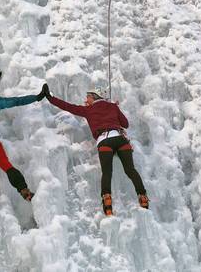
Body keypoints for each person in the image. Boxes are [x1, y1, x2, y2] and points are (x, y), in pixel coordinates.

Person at [41, 84, 148, 215]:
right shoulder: (113, 106)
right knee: (130, 170)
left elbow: (68, 106)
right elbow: (125, 124)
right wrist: (115, 109)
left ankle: (107, 203)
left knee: (107, 172)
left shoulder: (88, 110)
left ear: (93, 96)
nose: (86, 99)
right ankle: (143, 197)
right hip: (120, 139)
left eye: (88, 97)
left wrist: (50, 98)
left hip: (104, 141)